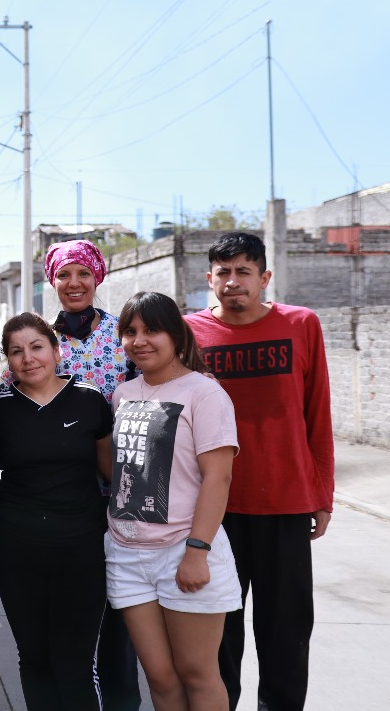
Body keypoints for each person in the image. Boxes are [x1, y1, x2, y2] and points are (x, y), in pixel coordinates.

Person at [184, 232, 333, 711]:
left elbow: (317, 412)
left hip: (285, 503)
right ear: (210, 279)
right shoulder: (189, 333)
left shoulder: (301, 324)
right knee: (218, 636)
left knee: (286, 635)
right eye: (223, 273)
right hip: (213, 510)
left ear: (264, 277)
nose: (233, 282)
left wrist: (322, 493)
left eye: (243, 271)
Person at [3, 238, 141, 710]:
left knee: (116, 636)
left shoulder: (124, 336)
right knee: (48, 648)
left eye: (83, 273)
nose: (74, 283)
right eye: (64, 275)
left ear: (97, 277)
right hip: (49, 506)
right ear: (52, 281)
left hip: (119, 500)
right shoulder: (41, 336)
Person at [108, 292, 241, 711]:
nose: (140, 340)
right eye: (130, 332)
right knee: (161, 679)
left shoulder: (205, 393)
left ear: (177, 336)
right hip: (127, 555)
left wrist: (197, 551)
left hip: (184, 549)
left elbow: (218, 476)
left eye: (152, 330)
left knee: (197, 674)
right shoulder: (123, 394)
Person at [0, 312, 114, 710]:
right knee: (35, 658)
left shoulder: (89, 399)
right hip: (18, 550)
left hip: (80, 548)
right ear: (7, 360)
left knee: (75, 661)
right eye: (16, 351)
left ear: (56, 349)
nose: (28, 359)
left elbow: (111, 471)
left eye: (37, 347)